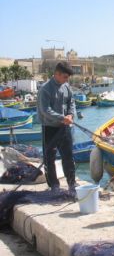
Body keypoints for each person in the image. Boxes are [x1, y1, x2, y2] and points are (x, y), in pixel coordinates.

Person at [37, 61, 77, 193]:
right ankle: (54, 185)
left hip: (65, 127)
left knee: (68, 156)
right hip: (49, 128)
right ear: (57, 74)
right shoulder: (45, 89)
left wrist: (71, 115)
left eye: (68, 78)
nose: (67, 80)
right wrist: (62, 118)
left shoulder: (66, 87)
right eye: (65, 77)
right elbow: (45, 110)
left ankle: (72, 183)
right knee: (49, 157)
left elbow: (71, 101)